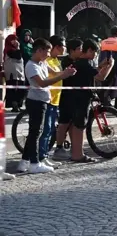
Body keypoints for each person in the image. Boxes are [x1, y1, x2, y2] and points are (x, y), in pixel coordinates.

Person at [16, 38, 76, 174]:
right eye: (46, 51)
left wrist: (66, 72)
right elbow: (42, 83)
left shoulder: (41, 63)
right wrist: (63, 76)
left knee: (35, 132)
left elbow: (54, 73)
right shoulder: (31, 65)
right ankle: (35, 163)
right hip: (35, 102)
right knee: (36, 133)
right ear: (39, 50)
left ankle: (24, 162)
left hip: (43, 101)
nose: (48, 54)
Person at [59, 39, 114, 163]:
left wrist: (101, 66)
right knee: (79, 126)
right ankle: (78, 154)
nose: (96, 55)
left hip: (72, 97)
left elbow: (94, 72)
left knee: (75, 125)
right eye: (95, 52)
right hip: (80, 98)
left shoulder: (79, 62)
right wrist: (110, 66)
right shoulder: (84, 63)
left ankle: (75, 152)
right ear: (89, 50)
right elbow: (101, 77)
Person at [52, 39, 83, 160]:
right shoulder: (66, 62)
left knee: (71, 123)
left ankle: (72, 147)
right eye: (79, 49)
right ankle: (58, 148)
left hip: (74, 96)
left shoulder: (78, 61)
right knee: (64, 123)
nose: (81, 51)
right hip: (65, 96)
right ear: (72, 50)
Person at [38, 35, 66, 166]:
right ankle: (41, 156)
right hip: (48, 98)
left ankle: (45, 155)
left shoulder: (56, 60)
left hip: (56, 99)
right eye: (63, 46)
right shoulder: (47, 61)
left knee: (50, 130)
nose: (64, 48)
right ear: (56, 47)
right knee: (46, 130)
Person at [98, 26, 117, 106]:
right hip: (114, 67)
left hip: (104, 65)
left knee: (104, 83)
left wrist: (100, 65)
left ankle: (104, 99)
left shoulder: (103, 42)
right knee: (113, 84)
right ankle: (107, 100)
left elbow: (100, 55)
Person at [3, 34, 25, 112]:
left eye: (16, 39)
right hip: (12, 74)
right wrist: (18, 47)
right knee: (13, 90)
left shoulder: (15, 49)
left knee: (21, 89)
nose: (15, 41)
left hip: (19, 73)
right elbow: (18, 56)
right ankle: (14, 105)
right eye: (13, 40)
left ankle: (18, 105)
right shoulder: (9, 50)